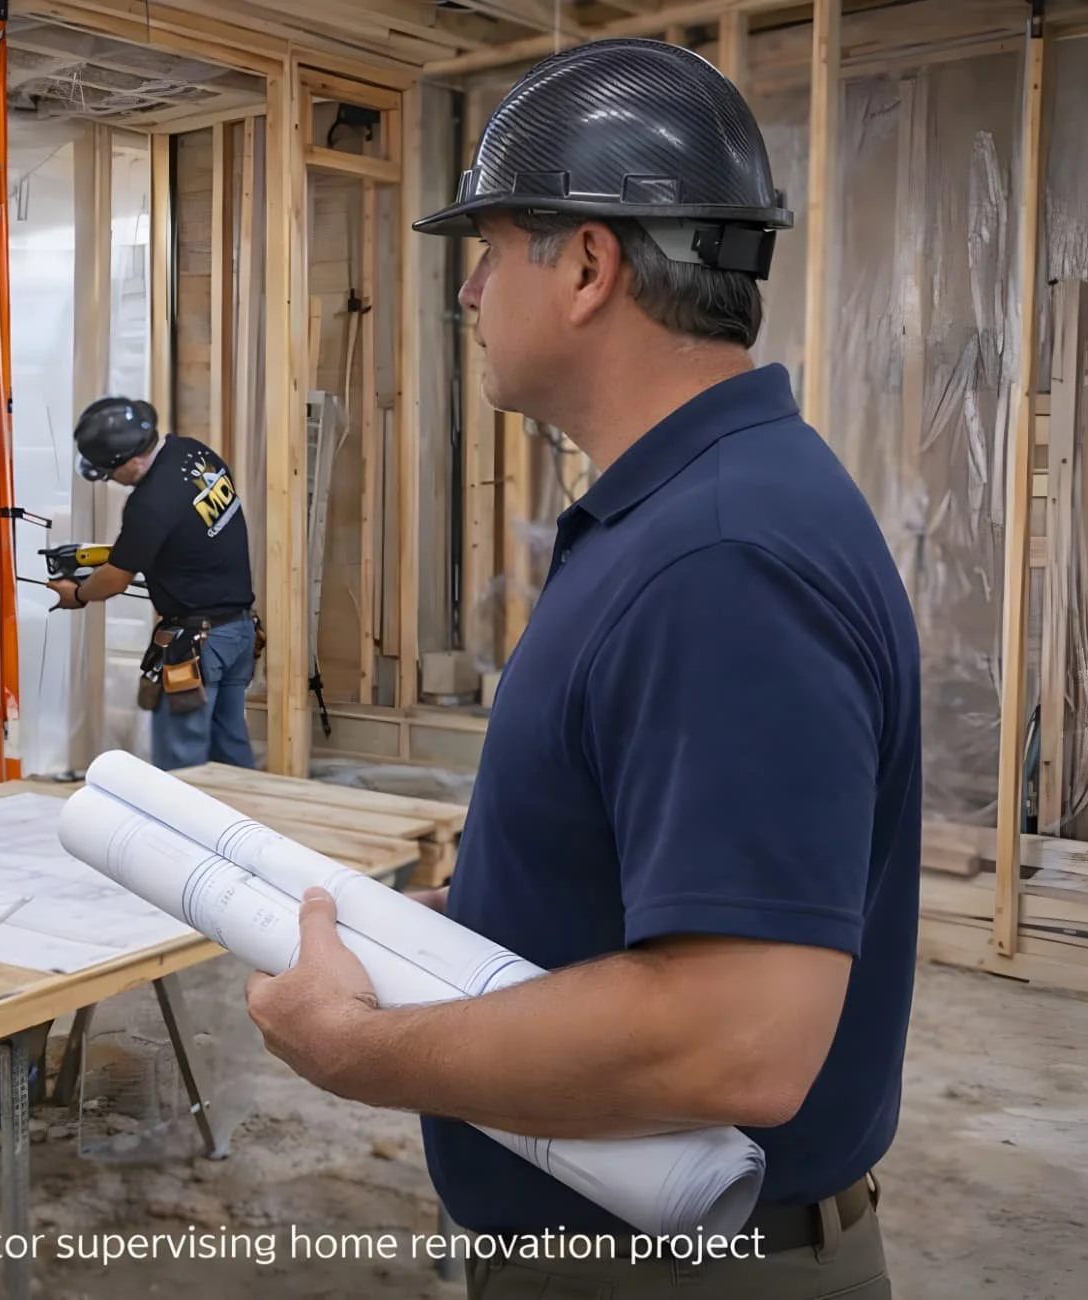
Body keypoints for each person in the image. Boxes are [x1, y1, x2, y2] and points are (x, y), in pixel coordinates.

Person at [242, 38, 920, 1300]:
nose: (469, 293)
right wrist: (491, 928)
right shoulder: (689, 511)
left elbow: (740, 1036)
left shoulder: (720, 558)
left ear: (593, 266)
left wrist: (363, 1046)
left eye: (490, 251)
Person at [47, 396, 259, 770]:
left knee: (183, 761)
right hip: (239, 631)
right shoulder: (193, 453)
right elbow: (184, 534)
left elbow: (114, 579)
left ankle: (185, 830)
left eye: (109, 472)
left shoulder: (149, 503)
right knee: (230, 749)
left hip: (199, 645)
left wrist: (78, 594)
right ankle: (244, 826)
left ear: (131, 461)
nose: (110, 480)